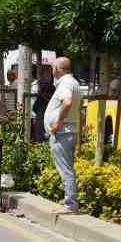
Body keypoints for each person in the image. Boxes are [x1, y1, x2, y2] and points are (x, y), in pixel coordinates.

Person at [45, 56, 82, 211]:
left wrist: (57, 124)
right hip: (68, 131)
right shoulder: (73, 83)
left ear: (58, 69)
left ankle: (70, 204)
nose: (52, 70)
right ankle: (70, 201)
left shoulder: (65, 84)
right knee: (68, 169)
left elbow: (67, 103)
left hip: (62, 132)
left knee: (65, 170)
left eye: (53, 67)